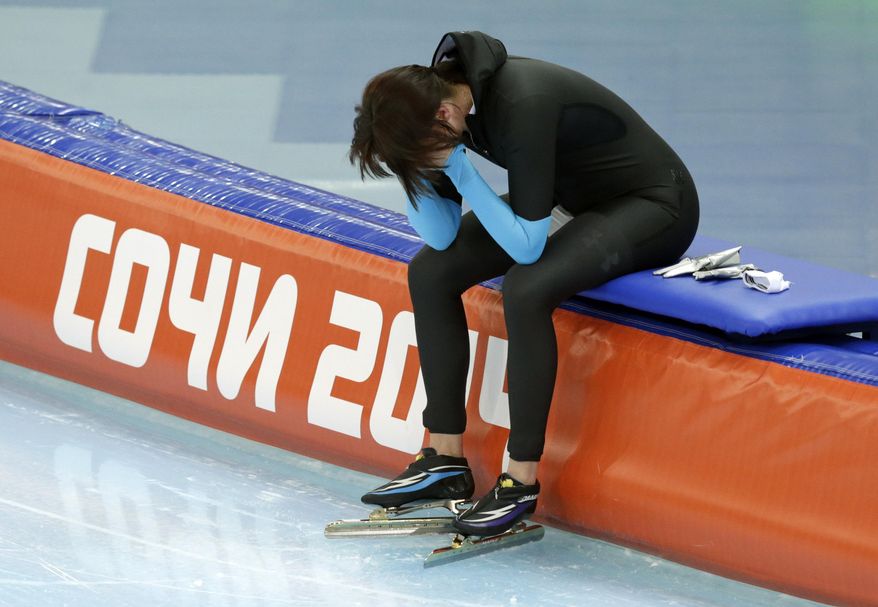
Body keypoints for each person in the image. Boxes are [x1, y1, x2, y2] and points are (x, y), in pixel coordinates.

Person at [348, 31, 699, 537]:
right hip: (574, 198)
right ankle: (445, 459)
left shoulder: (523, 101)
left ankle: (521, 480)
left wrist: (463, 173)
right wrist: (419, 174)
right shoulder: (440, 109)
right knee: (428, 272)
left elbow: (528, 248)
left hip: (651, 204)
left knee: (526, 288)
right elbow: (441, 236)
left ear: (443, 118)